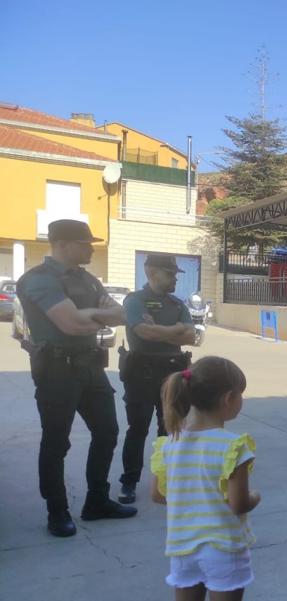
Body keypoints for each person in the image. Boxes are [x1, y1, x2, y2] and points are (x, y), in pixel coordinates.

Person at [15, 219, 135, 537]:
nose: (91, 248)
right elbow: (71, 324)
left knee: (107, 432)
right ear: (63, 244)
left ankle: (97, 501)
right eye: (85, 243)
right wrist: (96, 317)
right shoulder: (38, 280)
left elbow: (120, 313)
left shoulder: (89, 280)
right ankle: (57, 511)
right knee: (57, 443)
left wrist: (90, 316)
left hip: (91, 367)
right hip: (56, 370)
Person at [149, 356, 261, 601]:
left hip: (182, 546)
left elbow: (158, 494)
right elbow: (239, 503)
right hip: (224, 548)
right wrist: (255, 497)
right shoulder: (233, 446)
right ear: (228, 398)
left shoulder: (169, 444)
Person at [117, 254, 197, 504]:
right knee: (138, 429)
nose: (175, 278)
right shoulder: (135, 301)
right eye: (170, 273)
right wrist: (174, 331)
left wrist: (161, 332)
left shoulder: (177, 304)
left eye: (175, 274)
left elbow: (190, 336)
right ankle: (129, 482)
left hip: (172, 373)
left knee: (170, 429)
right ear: (152, 273)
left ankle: (165, 480)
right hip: (140, 373)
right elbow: (143, 333)